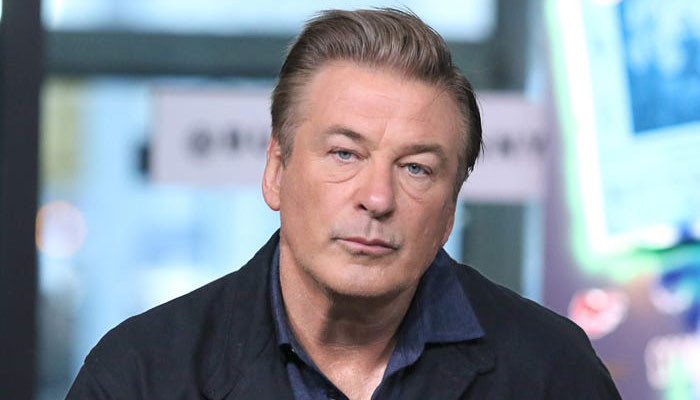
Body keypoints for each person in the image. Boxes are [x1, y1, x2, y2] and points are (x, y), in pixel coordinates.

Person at [67, 8, 621, 400]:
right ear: (276, 171)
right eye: (344, 154)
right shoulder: (141, 375)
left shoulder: (552, 373)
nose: (377, 199)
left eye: (416, 168)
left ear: (450, 209)